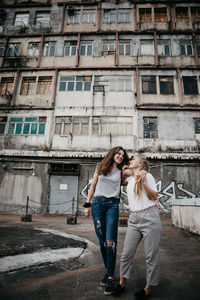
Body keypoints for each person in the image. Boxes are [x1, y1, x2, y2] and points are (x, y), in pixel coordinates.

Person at [110, 155, 161, 300]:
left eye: (134, 159)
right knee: (126, 253)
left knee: (151, 255)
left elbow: (154, 196)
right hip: (134, 219)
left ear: (141, 163)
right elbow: (120, 175)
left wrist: (143, 182)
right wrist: (125, 168)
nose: (130, 160)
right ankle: (121, 283)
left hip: (149, 217)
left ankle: (148, 288)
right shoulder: (131, 179)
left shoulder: (148, 176)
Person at [83, 146, 129, 295]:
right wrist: (87, 204)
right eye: (118, 153)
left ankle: (110, 276)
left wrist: (137, 171)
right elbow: (93, 186)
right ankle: (108, 270)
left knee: (110, 241)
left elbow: (133, 175)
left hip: (112, 206)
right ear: (113, 154)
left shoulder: (122, 171)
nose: (120, 156)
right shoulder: (100, 167)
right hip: (97, 204)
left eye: (122, 155)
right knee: (102, 241)